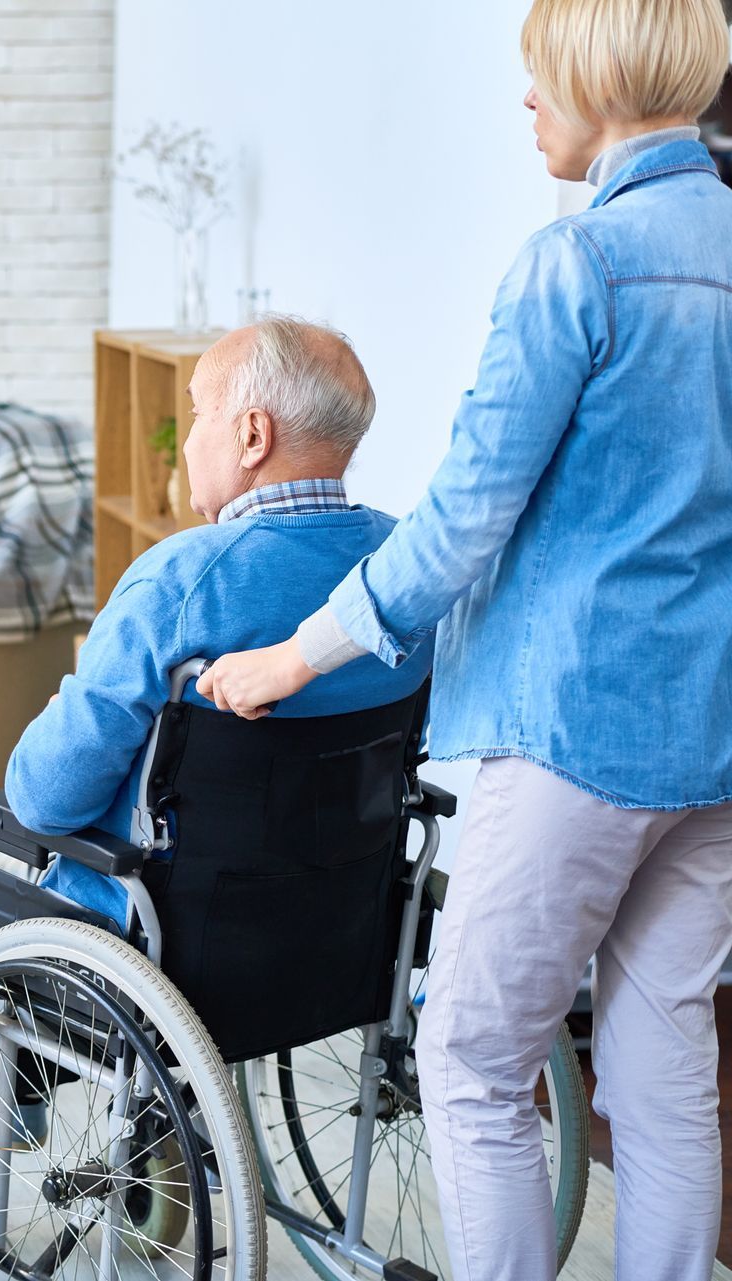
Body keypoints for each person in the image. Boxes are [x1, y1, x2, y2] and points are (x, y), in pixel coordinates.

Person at [198, 4, 732, 1276]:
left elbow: (456, 529)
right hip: (715, 742)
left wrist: (290, 659)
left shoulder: (582, 265)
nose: (527, 105)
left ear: (595, 79)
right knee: (667, 1082)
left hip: (573, 735)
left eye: (536, 77)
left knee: (475, 1059)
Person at [0, 318, 433, 1162]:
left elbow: (44, 799)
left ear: (252, 434)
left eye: (196, 415)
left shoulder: (183, 578)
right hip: (331, 933)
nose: (186, 443)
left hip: (144, 936)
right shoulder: (404, 568)